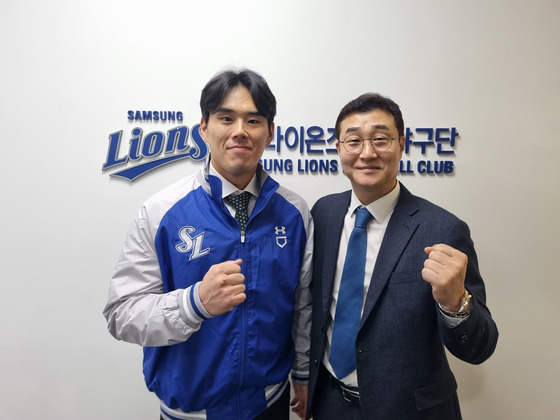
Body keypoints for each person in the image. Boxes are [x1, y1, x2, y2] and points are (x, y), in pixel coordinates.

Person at [103, 68, 313, 420]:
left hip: (269, 404)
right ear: (204, 127)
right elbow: (121, 314)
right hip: (189, 412)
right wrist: (194, 303)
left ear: (270, 132)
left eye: (254, 120)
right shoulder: (160, 212)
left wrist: (303, 375)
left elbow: (303, 304)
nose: (240, 132)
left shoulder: (294, 212)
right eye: (226, 118)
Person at [307, 93, 498, 420]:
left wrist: (455, 303)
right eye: (353, 141)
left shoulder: (443, 230)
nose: (367, 153)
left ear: (401, 144)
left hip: (410, 411)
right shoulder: (323, 213)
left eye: (380, 139)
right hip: (329, 404)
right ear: (339, 149)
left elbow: (479, 348)